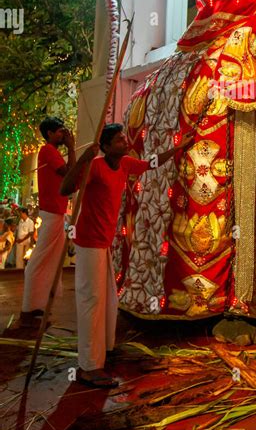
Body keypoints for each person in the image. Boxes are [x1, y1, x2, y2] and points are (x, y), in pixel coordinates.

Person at [60, 123, 194, 388]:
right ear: (107, 146)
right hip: (89, 244)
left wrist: (178, 148)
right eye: (119, 139)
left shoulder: (124, 164)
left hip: (105, 243)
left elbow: (151, 163)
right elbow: (66, 189)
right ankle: (88, 366)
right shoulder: (96, 167)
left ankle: (104, 350)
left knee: (109, 299)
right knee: (91, 301)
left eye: (124, 137)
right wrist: (82, 160)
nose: (125, 141)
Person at [18, 117, 76, 327]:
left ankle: (38, 306)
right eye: (60, 131)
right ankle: (28, 309)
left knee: (51, 261)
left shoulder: (52, 152)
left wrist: (71, 149)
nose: (64, 134)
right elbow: (70, 174)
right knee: (40, 261)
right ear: (50, 134)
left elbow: (70, 177)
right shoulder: (48, 151)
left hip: (56, 213)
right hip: (52, 213)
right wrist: (71, 148)